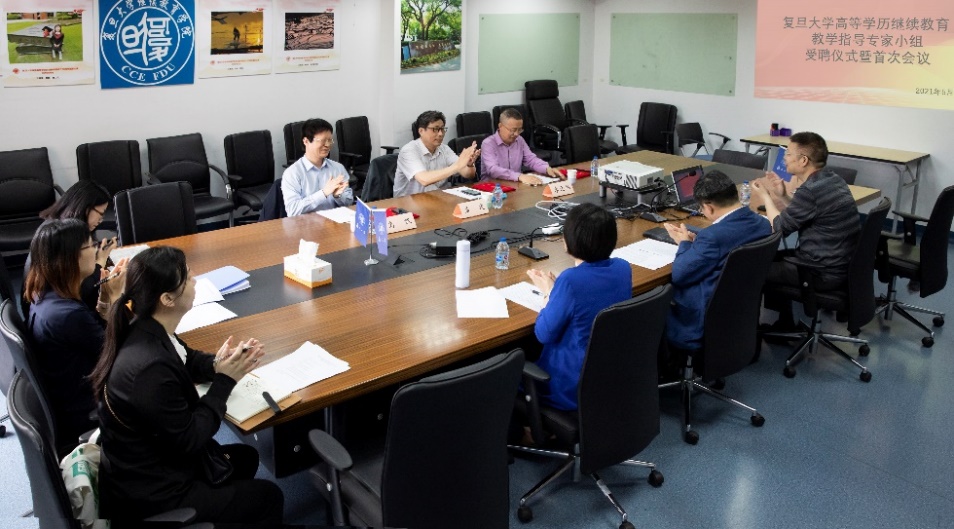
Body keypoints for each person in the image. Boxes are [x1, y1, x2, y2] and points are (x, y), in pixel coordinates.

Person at [90, 247, 284, 526]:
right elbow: (191, 438)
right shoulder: (150, 369)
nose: (195, 280)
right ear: (167, 299)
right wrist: (225, 380)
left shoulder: (147, 327)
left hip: (152, 462)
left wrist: (218, 363)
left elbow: (187, 358)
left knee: (246, 458)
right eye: (188, 277)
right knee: (269, 497)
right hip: (156, 492)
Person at [23, 219, 126, 456]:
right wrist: (116, 299)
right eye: (91, 246)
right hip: (87, 407)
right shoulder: (68, 316)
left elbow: (95, 338)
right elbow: (121, 353)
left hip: (70, 394)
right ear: (70, 258)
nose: (96, 250)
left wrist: (104, 300)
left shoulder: (44, 294)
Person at [526, 203, 631, 410]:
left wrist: (549, 293)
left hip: (571, 384)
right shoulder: (622, 267)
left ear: (568, 241)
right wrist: (557, 291)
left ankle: (530, 424)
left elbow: (543, 334)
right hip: (609, 374)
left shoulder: (570, 281)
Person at [751, 131, 860, 330]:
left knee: (752, 267)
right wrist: (783, 196)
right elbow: (807, 212)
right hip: (840, 264)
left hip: (820, 271)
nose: (784, 159)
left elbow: (780, 228)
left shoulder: (810, 190)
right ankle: (784, 323)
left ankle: (757, 333)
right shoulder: (832, 179)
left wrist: (766, 197)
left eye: (788, 154)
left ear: (803, 160)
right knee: (768, 256)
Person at [663, 170, 772, 362]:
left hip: (703, 313)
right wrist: (698, 245)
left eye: (701, 208)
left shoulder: (712, 237)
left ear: (708, 207)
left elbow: (679, 275)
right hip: (738, 307)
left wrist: (684, 243)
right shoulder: (762, 223)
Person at [39, 180, 116, 309]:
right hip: (66, 308)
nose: (101, 220)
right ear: (85, 208)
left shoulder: (56, 225)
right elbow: (81, 291)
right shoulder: (62, 237)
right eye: (101, 214)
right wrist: (101, 261)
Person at [394, 110, 479, 197]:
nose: (440, 134)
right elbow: (424, 179)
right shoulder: (408, 151)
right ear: (421, 131)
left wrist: (469, 165)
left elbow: (468, 175)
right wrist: (457, 166)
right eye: (435, 129)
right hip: (408, 201)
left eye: (442, 129)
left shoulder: (444, 149)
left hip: (438, 197)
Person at [281, 118, 354, 216]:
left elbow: (349, 203)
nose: (327, 145)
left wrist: (337, 196)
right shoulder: (292, 173)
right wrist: (323, 193)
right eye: (322, 141)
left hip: (334, 222)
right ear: (306, 141)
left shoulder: (338, 168)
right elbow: (293, 211)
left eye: (329, 140)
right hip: (306, 224)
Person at [481, 108, 563, 185]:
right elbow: (493, 170)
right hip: (492, 187)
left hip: (515, 185)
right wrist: (519, 176)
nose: (516, 134)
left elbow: (531, 159)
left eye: (519, 130)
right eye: (513, 130)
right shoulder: (488, 144)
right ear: (500, 126)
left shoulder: (519, 140)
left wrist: (546, 169)